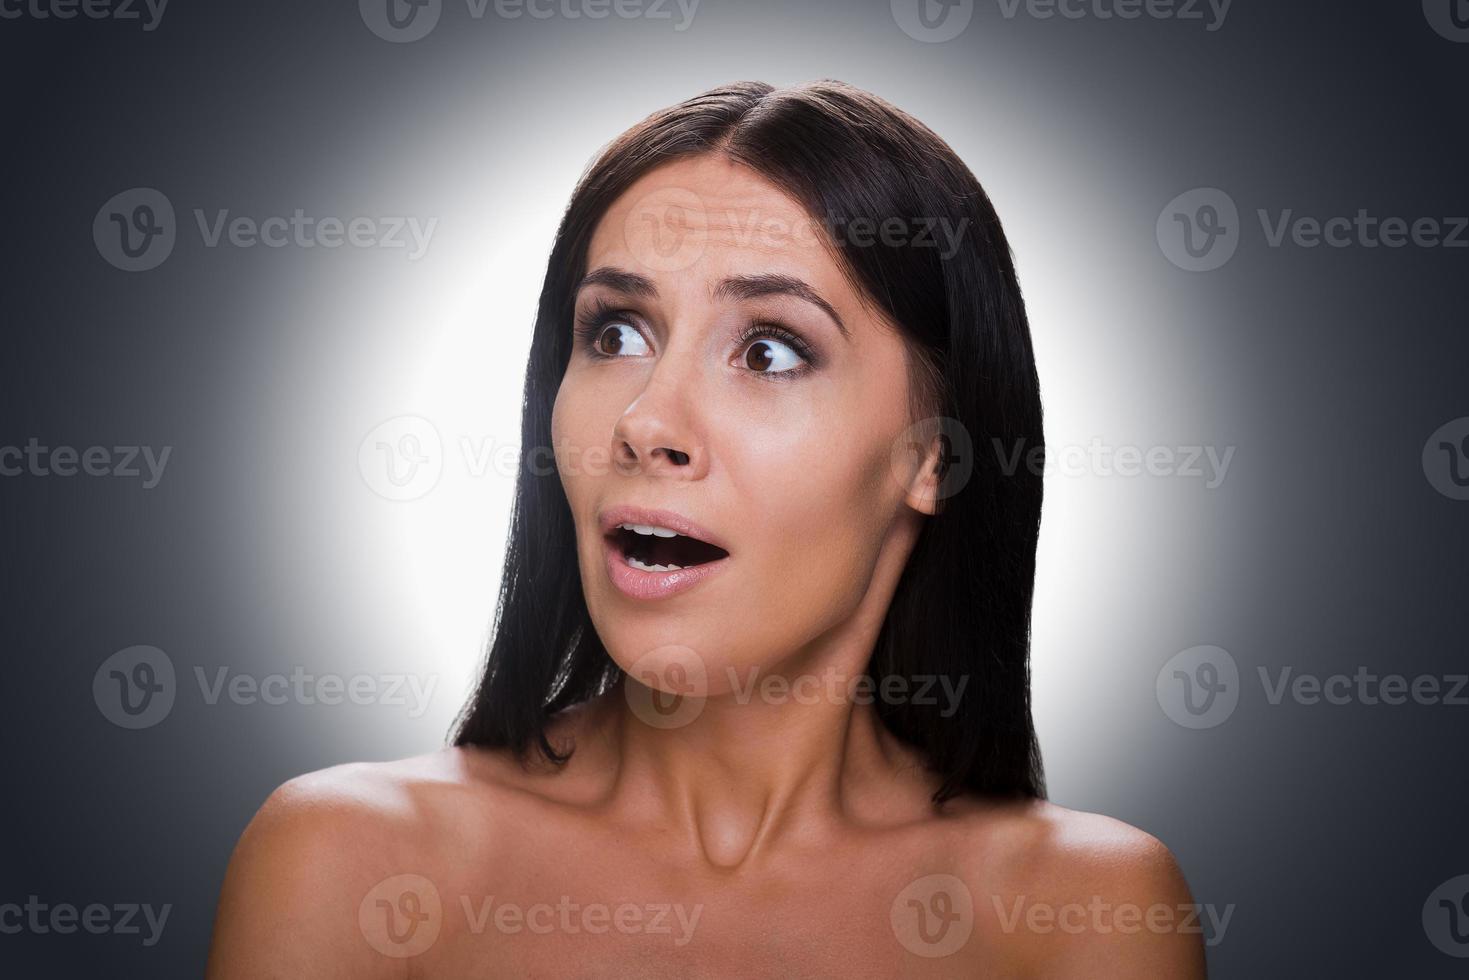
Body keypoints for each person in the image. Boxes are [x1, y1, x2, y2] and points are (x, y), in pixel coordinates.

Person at [206, 79, 1206, 977]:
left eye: (768, 351)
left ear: (932, 454)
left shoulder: (1084, 913)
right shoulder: (348, 863)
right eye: (615, 333)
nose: (645, 420)